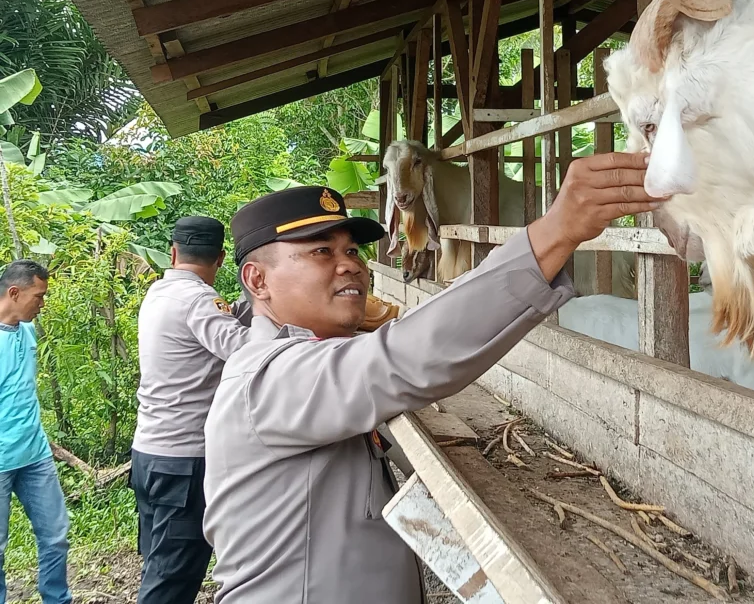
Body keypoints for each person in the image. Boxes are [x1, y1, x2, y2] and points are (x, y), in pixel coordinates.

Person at [202, 152, 662, 603]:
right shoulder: (268, 378)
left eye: (352, 250)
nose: (351, 265)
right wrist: (557, 231)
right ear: (257, 281)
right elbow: (406, 355)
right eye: (321, 251)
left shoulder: (309, 360)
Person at [130, 217, 249, 604]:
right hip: (184, 461)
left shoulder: (159, 293)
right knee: (172, 580)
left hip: (149, 453)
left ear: (174, 252)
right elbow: (244, 350)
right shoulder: (199, 300)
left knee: (158, 563)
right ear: (220, 258)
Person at [0, 259, 71, 604]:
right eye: (38, 297)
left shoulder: (27, 330)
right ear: (14, 293)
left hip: (35, 456)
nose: (42, 304)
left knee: (56, 535)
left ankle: (57, 599)